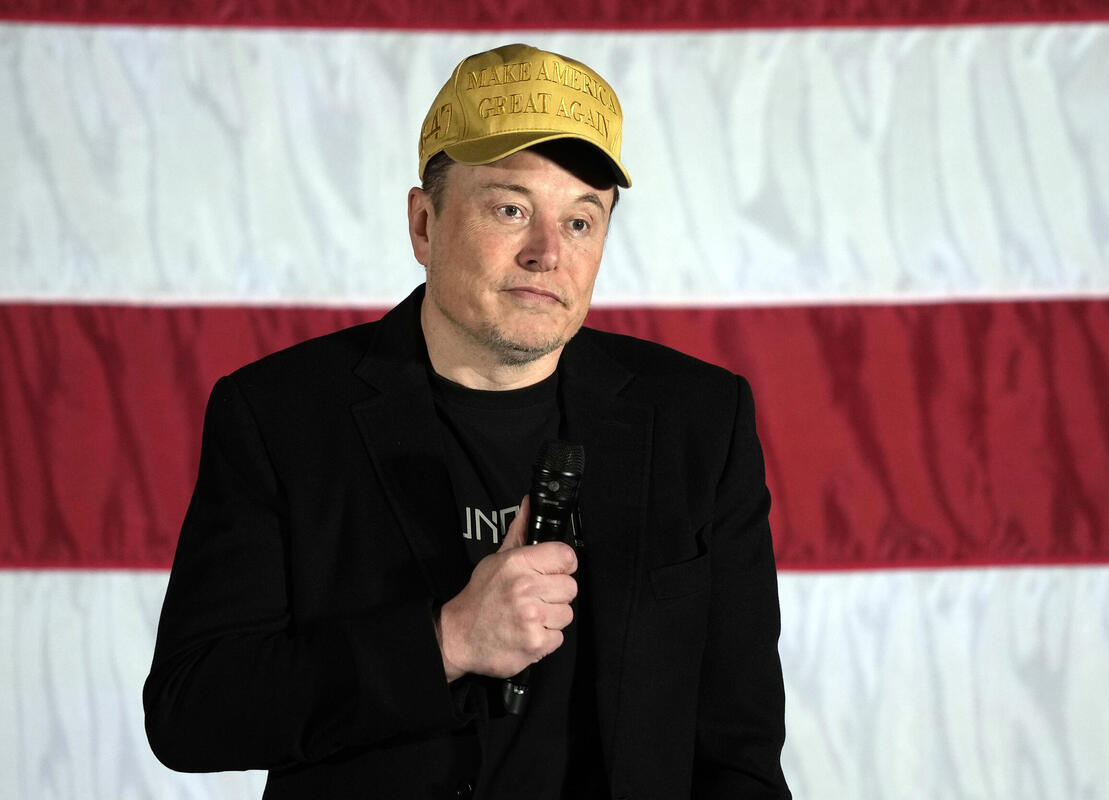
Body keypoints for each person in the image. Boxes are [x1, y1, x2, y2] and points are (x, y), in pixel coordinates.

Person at [144, 43, 790, 799]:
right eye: (510, 209)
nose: (547, 253)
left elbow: (739, 750)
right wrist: (446, 641)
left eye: (581, 221)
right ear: (424, 224)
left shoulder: (698, 421)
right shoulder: (281, 416)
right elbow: (192, 710)